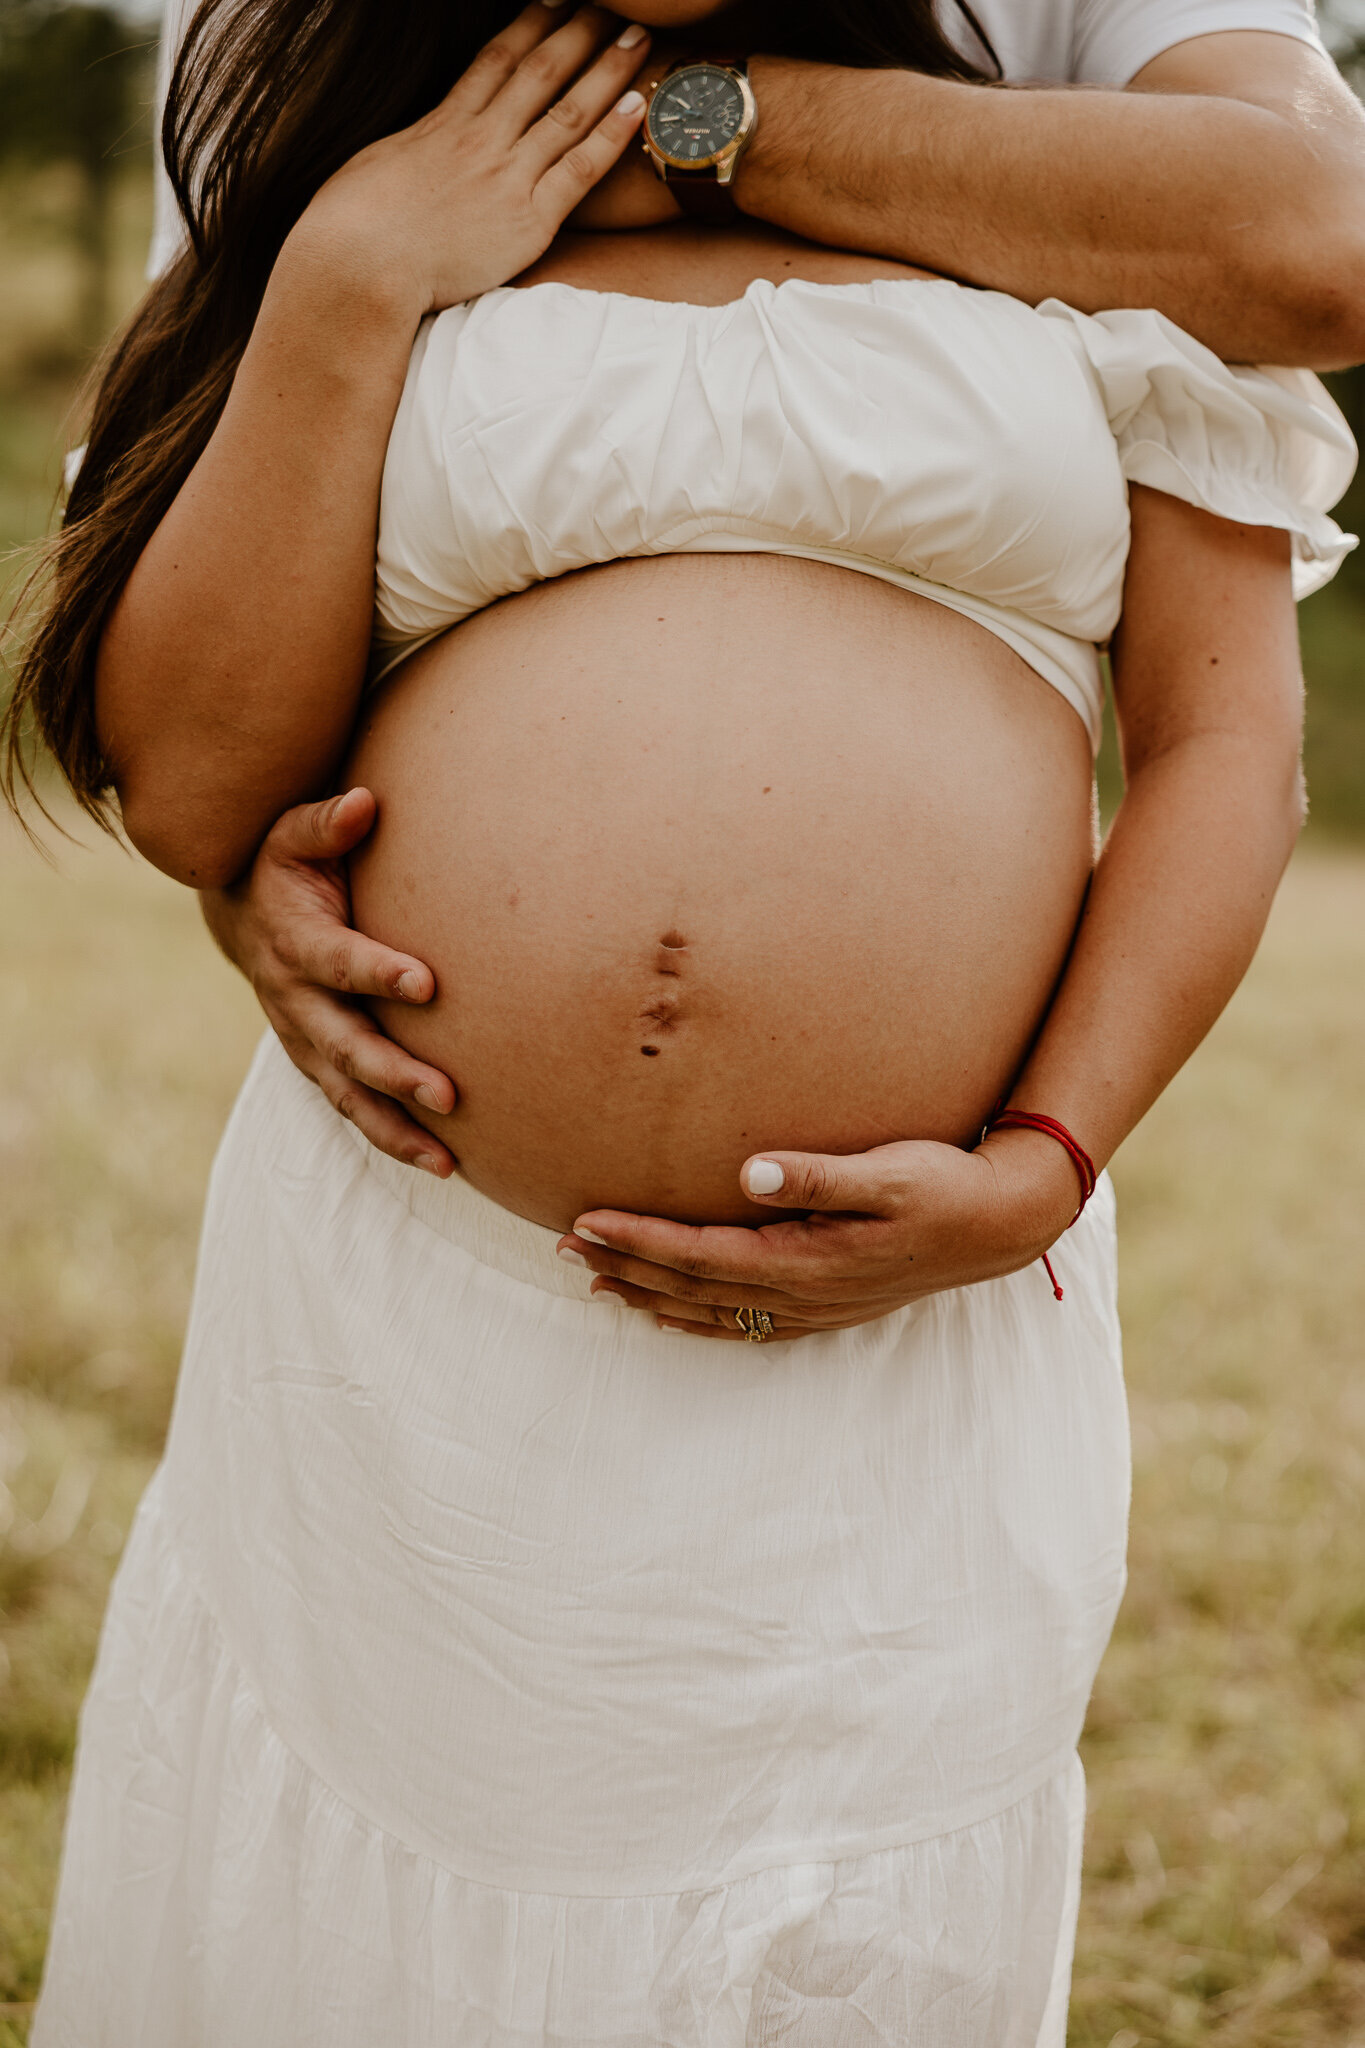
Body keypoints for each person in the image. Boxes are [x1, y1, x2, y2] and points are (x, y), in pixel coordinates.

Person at [6, 0, 1355, 2040]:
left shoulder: (1084, 108)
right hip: (419, 1323)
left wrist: (1040, 1162)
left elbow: (1221, 736)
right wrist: (358, 268)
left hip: (892, 1347)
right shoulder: (334, 91)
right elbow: (194, 782)